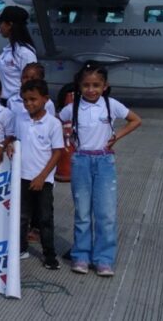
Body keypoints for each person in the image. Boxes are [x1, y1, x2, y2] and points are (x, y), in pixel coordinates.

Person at [58, 63, 142, 276]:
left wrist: (116, 137)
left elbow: (135, 120)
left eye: (96, 85)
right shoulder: (72, 107)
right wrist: (65, 138)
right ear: (79, 86)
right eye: (86, 85)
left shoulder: (110, 104)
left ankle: (104, 259)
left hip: (104, 162)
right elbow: (54, 123)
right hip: (81, 161)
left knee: (106, 213)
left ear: (105, 86)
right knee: (83, 213)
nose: (91, 89)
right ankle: (81, 256)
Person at [8, 79, 64, 270]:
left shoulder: (53, 123)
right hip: (22, 177)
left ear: (45, 99)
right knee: (22, 216)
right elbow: (16, 139)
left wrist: (42, 177)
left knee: (44, 219)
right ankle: (21, 248)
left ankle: (49, 255)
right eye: (25, 100)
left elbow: (57, 152)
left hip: (43, 180)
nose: (29, 104)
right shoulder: (21, 119)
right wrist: (9, 146)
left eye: (33, 99)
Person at [0, 6, 37, 103]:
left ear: (10, 25)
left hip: (18, 103)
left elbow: (32, 84)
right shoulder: (7, 50)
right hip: (3, 102)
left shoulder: (25, 53)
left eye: (1, 23)